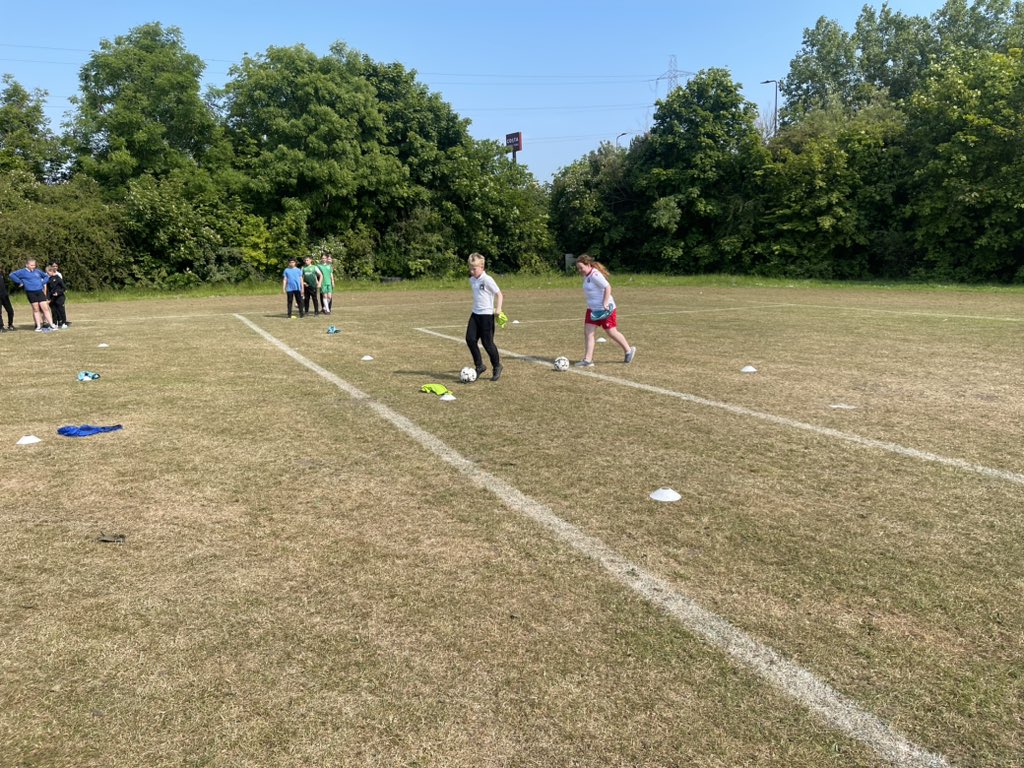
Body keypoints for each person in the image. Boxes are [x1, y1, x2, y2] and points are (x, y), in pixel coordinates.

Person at [574, 254, 635, 367]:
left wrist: (605, 303)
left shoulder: (595, 275)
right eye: (578, 268)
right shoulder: (586, 275)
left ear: (588, 265)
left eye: (581, 267)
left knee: (611, 332)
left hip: (605, 310)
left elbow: (608, 287)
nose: (580, 270)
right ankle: (587, 360)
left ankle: (628, 350)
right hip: (592, 310)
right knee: (588, 333)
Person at [465, 252, 503, 381]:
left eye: (474, 268)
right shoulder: (472, 280)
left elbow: (499, 294)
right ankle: (479, 365)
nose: (471, 271)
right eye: (470, 268)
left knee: (487, 343)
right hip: (475, 314)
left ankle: (497, 366)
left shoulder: (487, 280)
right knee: (470, 339)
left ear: (482, 267)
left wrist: (498, 309)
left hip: (486, 316)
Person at [9, 258, 56, 332]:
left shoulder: (37, 271)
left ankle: (52, 325)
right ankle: (38, 326)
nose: (33, 266)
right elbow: (12, 275)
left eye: (34, 265)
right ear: (27, 265)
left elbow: (46, 276)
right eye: (31, 265)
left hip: (40, 292)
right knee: (36, 309)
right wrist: (20, 282)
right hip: (31, 293)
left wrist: (43, 282)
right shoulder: (22, 272)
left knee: (45, 308)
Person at [46, 264, 69, 328]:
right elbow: (48, 290)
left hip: (60, 297)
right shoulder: (49, 279)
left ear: (51, 271)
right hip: (52, 298)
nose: (47, 274)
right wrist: (48, 298)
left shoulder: (58, 278)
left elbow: (64, 288)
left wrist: (58, 293)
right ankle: (55, 323)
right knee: (53, 311)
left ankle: (64, 323)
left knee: (61, 310)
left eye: (48, 273)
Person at [0, 266, 14, 331]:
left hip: (5, 296)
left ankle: (10, 325)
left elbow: (6, 284)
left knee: (10, 311)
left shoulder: (1, 275)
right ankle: (1, 327)